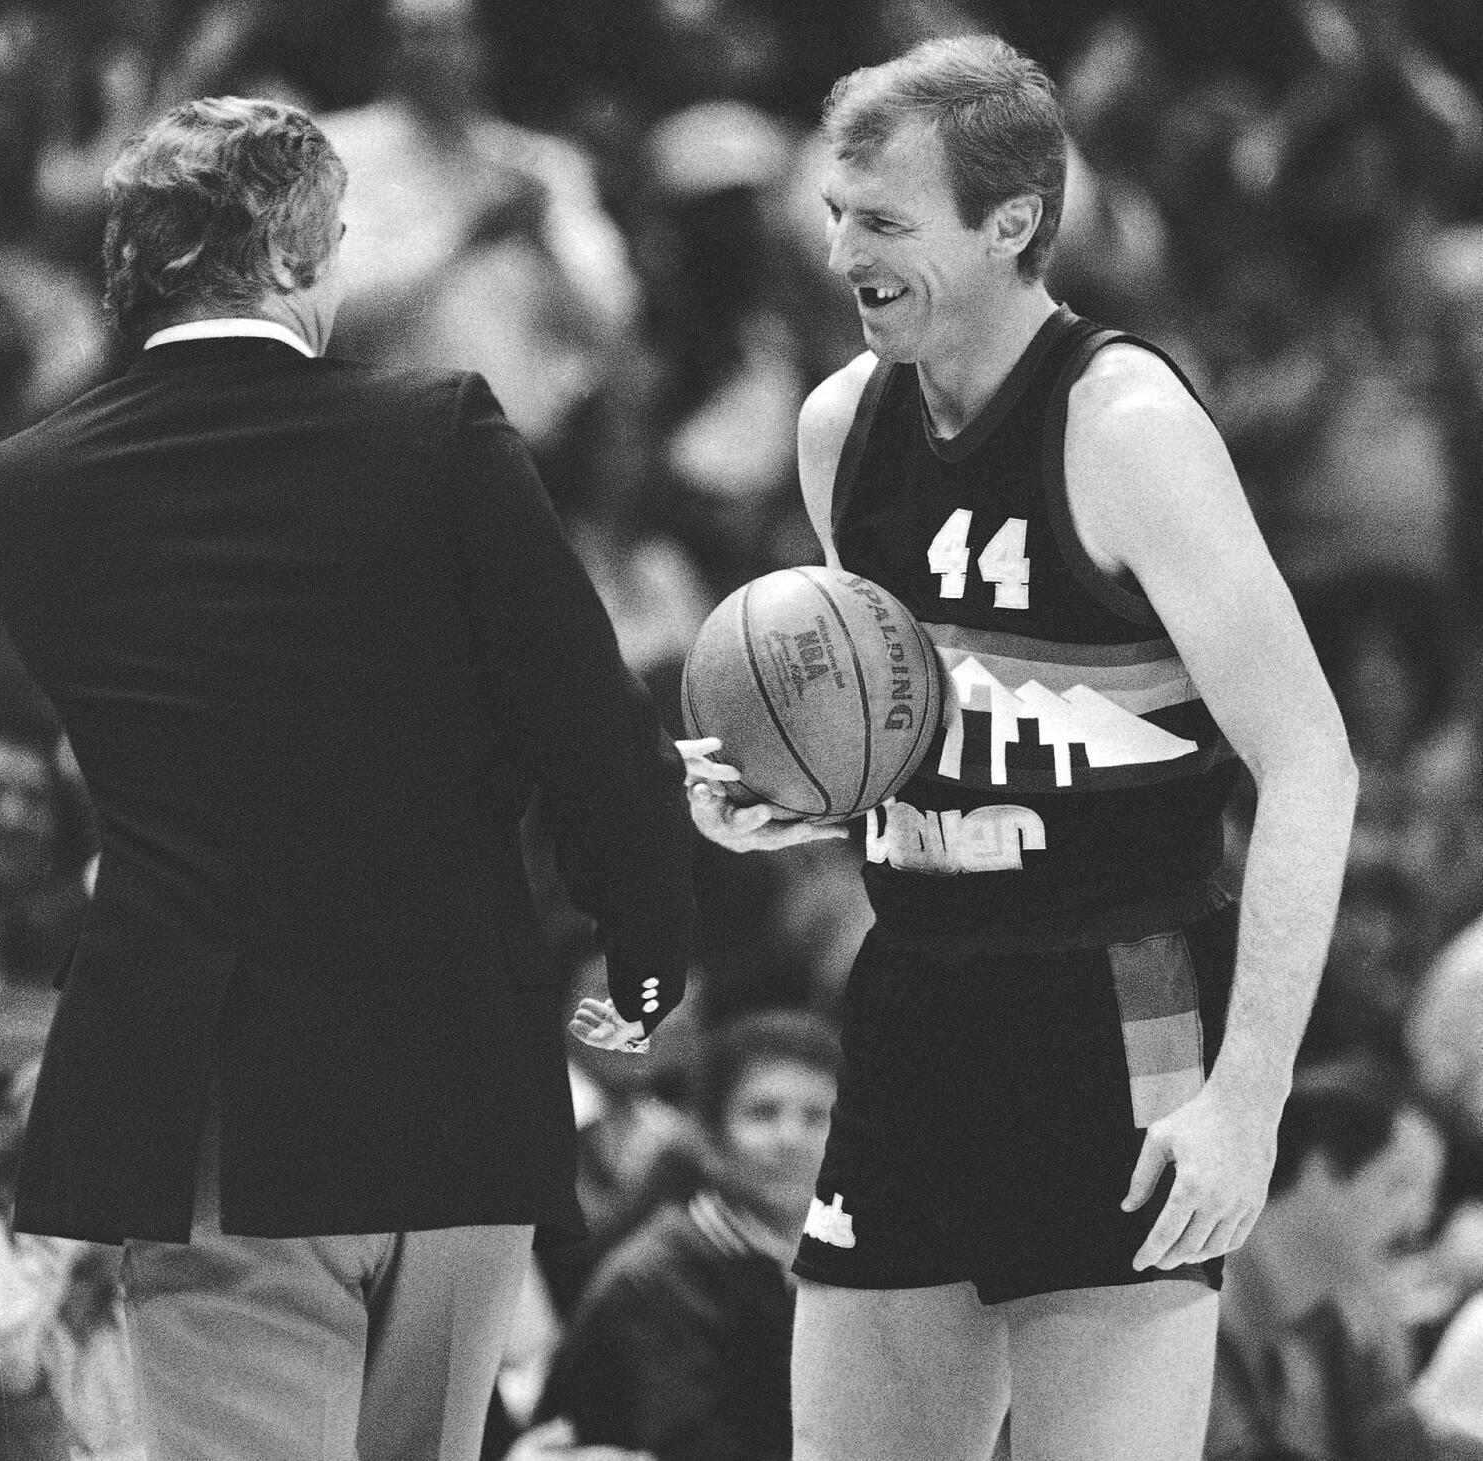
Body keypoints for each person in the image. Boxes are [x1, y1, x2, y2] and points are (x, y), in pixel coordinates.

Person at [681, 33, 1357, 1461]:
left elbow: (1310, 763)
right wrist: (787, 797)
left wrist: (1247, 1097)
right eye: (833, 213)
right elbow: (906, 731)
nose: (841, 251)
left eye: (881, 220)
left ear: (1011, 224)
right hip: (913, 1001)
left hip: (1115, 1014)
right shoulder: (838, 430)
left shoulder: (1125, 429)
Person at [0, 96, 693, 1461]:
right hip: (456, 1069)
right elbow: (586, 724)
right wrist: (645, 947)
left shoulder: (30, 483)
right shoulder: (435, 429)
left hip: (202, 1085)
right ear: (308, 252)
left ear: (132, 266)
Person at [533, 1008, 840, 1460]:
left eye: (817, 1117)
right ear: (712, 1135)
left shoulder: (839, 1257)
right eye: (763, 1113)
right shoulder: (659, 1275)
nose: (792, 1138)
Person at [1205, 1057, 1480, 1461]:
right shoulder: (1193, 1315)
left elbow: (1404, 1448)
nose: (1421, 1222)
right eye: (1400, 1185)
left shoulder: (1338, 1329)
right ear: (1318, 1173)